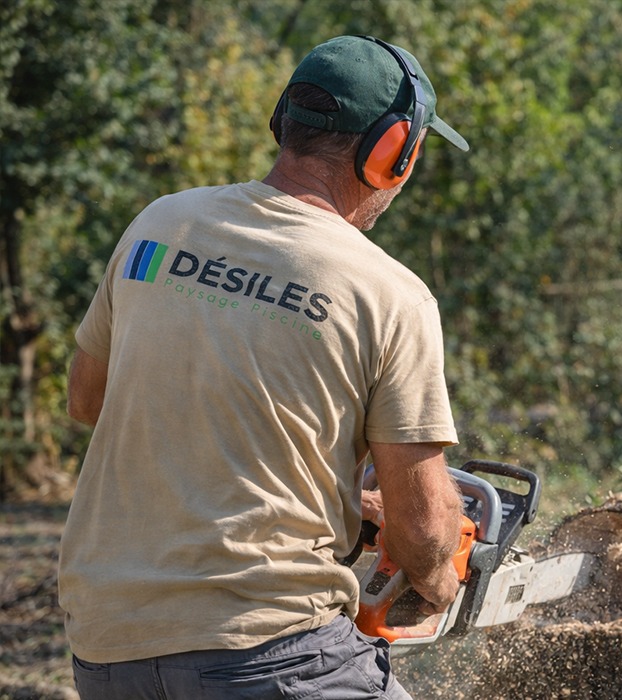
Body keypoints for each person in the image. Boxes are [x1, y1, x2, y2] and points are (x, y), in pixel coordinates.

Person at [59, 35, 470, 699]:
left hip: (108, 651)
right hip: (274, 654)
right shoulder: (388, 293)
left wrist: (331, 494)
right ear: (394, 150)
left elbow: (88, 400)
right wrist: (438, 577)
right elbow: (423, 529)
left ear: (285, 121)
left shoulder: (160, 228)